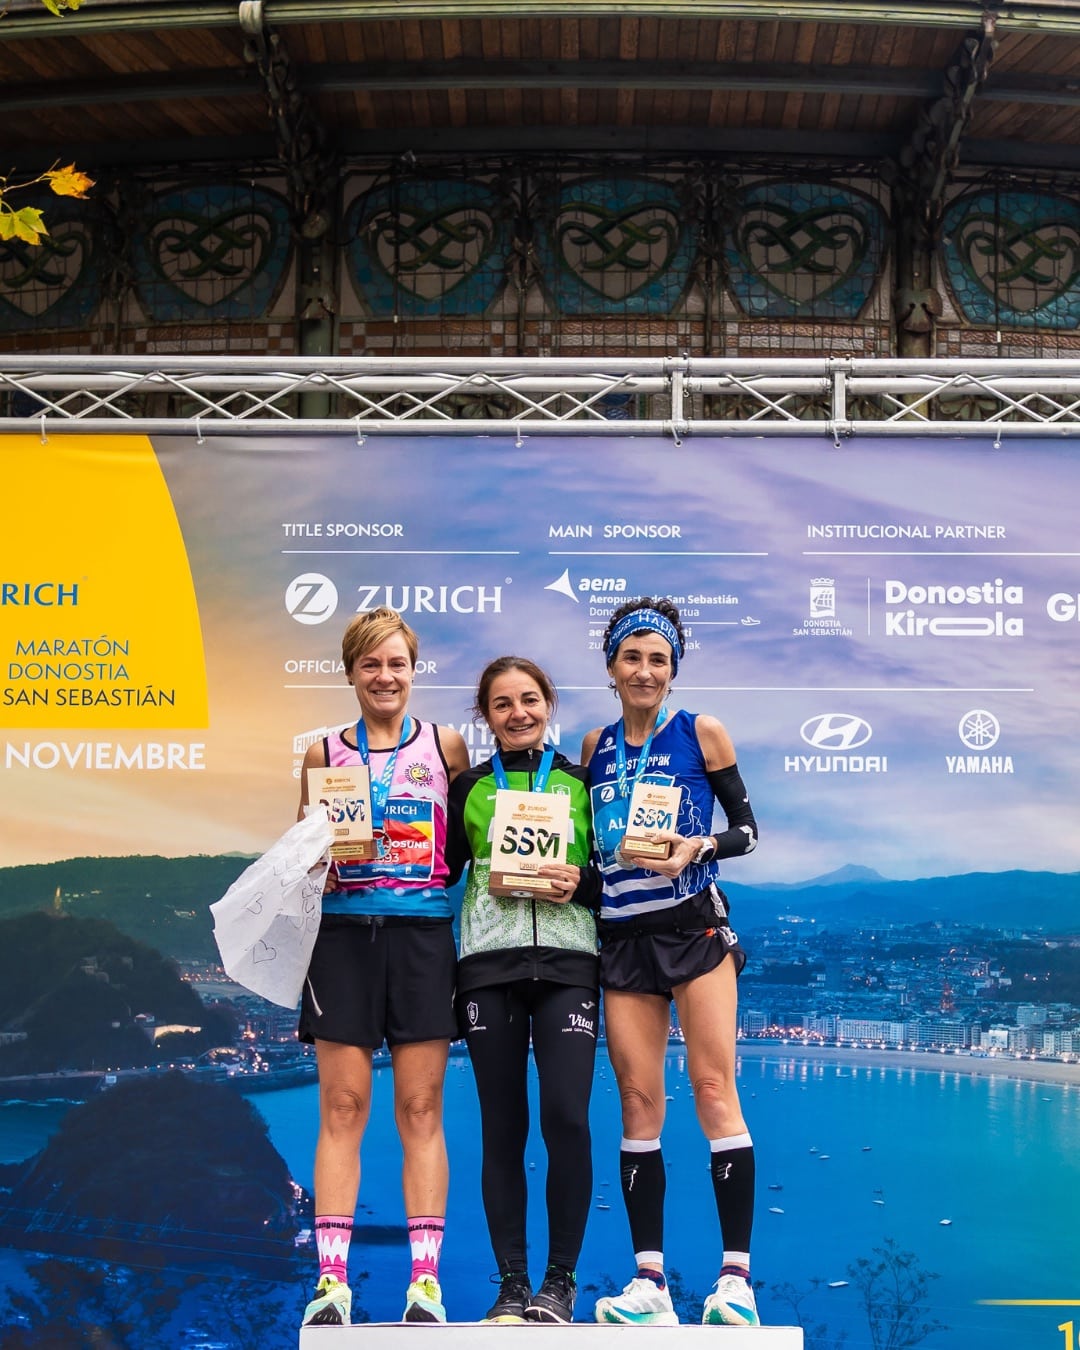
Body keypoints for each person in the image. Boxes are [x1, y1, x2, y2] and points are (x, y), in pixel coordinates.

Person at [581, 597, 760, 1328]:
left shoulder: (700, 731)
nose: (645, 670)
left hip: (693, 929)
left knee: (714, 1089)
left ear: (673, 670)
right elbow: (596, 857)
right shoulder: (594, 747)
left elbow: (748, 830)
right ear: (612, 667)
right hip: (623, 938)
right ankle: (650, 1284)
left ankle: (736, 1283)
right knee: (636, 1101)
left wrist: (701, 846)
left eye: (659, 659)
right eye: (633, 657)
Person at [295, 607, 469, 1328]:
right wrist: (319, 862)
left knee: (421, 1109)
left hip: (422, 938)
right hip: (342, 941)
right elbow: (302, 851)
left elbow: (467, 845)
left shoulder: (445, 745)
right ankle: (331, 1282)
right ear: (350, 673)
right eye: (371, 663)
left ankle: (424, 1284)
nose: (385, 676)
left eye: (397, 663)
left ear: (413, 670)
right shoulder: (321, 752)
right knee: (342, 1108)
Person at [445, 656, 599, 1325]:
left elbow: (610, 877)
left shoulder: (581, 783)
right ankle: (511, 1283)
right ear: (485, 715)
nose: (518, 713)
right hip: (488, 966)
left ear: (548, 704)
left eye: (529, 699)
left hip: (569, 965)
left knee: (567, 1118)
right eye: (502, 703)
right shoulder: (469, 787)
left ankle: (559, 1281)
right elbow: (441, 869)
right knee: (503, 1128)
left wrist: (581, 883)